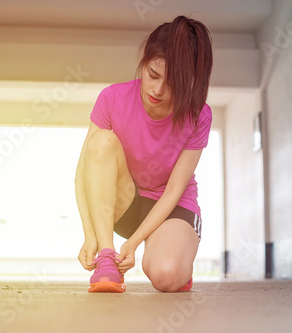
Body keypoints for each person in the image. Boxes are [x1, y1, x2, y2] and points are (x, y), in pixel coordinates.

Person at [74, 15, 213, 293]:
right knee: (101, 141)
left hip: (172, 207)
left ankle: (179, 260)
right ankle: (106, 260)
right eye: (153, 75)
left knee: (166, 275)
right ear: (144, 63)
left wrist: (135, 242)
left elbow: (174, 189)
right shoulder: (112, 99)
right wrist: (90, 237)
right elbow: (83, 175)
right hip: (128, 202)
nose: (158, 90)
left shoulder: (199, 115)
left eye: (172, 82)